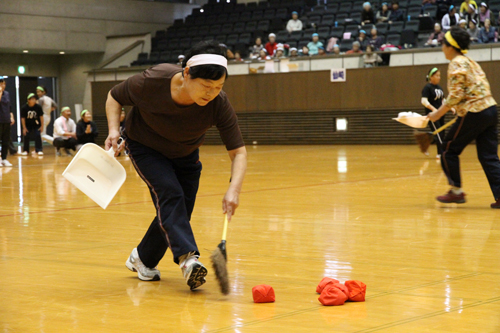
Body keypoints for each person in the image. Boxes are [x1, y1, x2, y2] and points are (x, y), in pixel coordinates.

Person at [104, 40, 247, 289]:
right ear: (187, 73)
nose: (211, 93)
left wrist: (233, 189)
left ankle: (143, 258)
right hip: (145, 146)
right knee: (170, 194)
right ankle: (188, 260)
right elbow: (114, 96)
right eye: (206, 86)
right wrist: (114, 130)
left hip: (186, 154)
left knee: (179, 211)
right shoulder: (153, 81)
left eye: (218, 87)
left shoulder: (218, 104)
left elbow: (238, 153)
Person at [427, 26, 500, 208]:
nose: (442, 46)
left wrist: (437, 114)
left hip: (474, 112)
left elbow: (455, 96)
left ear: (451, 46)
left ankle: (456, 192)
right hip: (490, 109)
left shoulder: (456, 63)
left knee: (447, 149)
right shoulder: (470, 62)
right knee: (489, 156)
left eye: (444, 43)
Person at [421, 68, 445, 158]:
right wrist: (433, 109)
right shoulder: (427, 88)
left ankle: (425, 141)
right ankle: (440, 153)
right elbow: (424, 101)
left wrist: (451, 108)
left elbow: (443, 100)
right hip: (432, 115)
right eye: (437, 75)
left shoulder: (440, 88)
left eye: (439, 76)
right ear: (431, 77)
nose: (439, 78)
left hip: (440, 114)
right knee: (438, 133)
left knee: (441, 133)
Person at [0, 78, 14, 166]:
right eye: (1, 84)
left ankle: (4, 158)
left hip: (6, 120)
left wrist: (11, 117)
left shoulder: (7, 94)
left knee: (6, 140)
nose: (3, 86)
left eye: (4, 84)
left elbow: (9, 107)